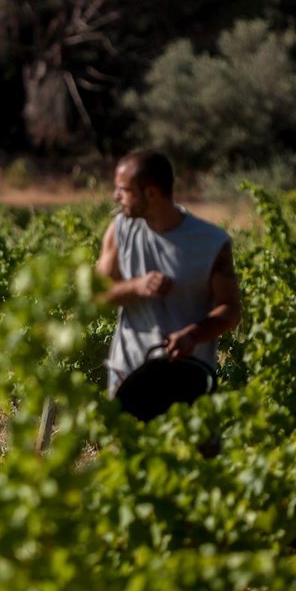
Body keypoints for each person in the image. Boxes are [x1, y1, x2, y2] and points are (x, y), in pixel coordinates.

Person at [95, 150, 242, 419]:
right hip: (128, 374)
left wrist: (193, 336)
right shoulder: (119, 230)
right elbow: (95, 294)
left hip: (188, 378)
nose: (115, 196)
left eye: (124, 190)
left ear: (151, 193)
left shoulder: (210, 242)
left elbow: (230, 310)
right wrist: (135, 287)